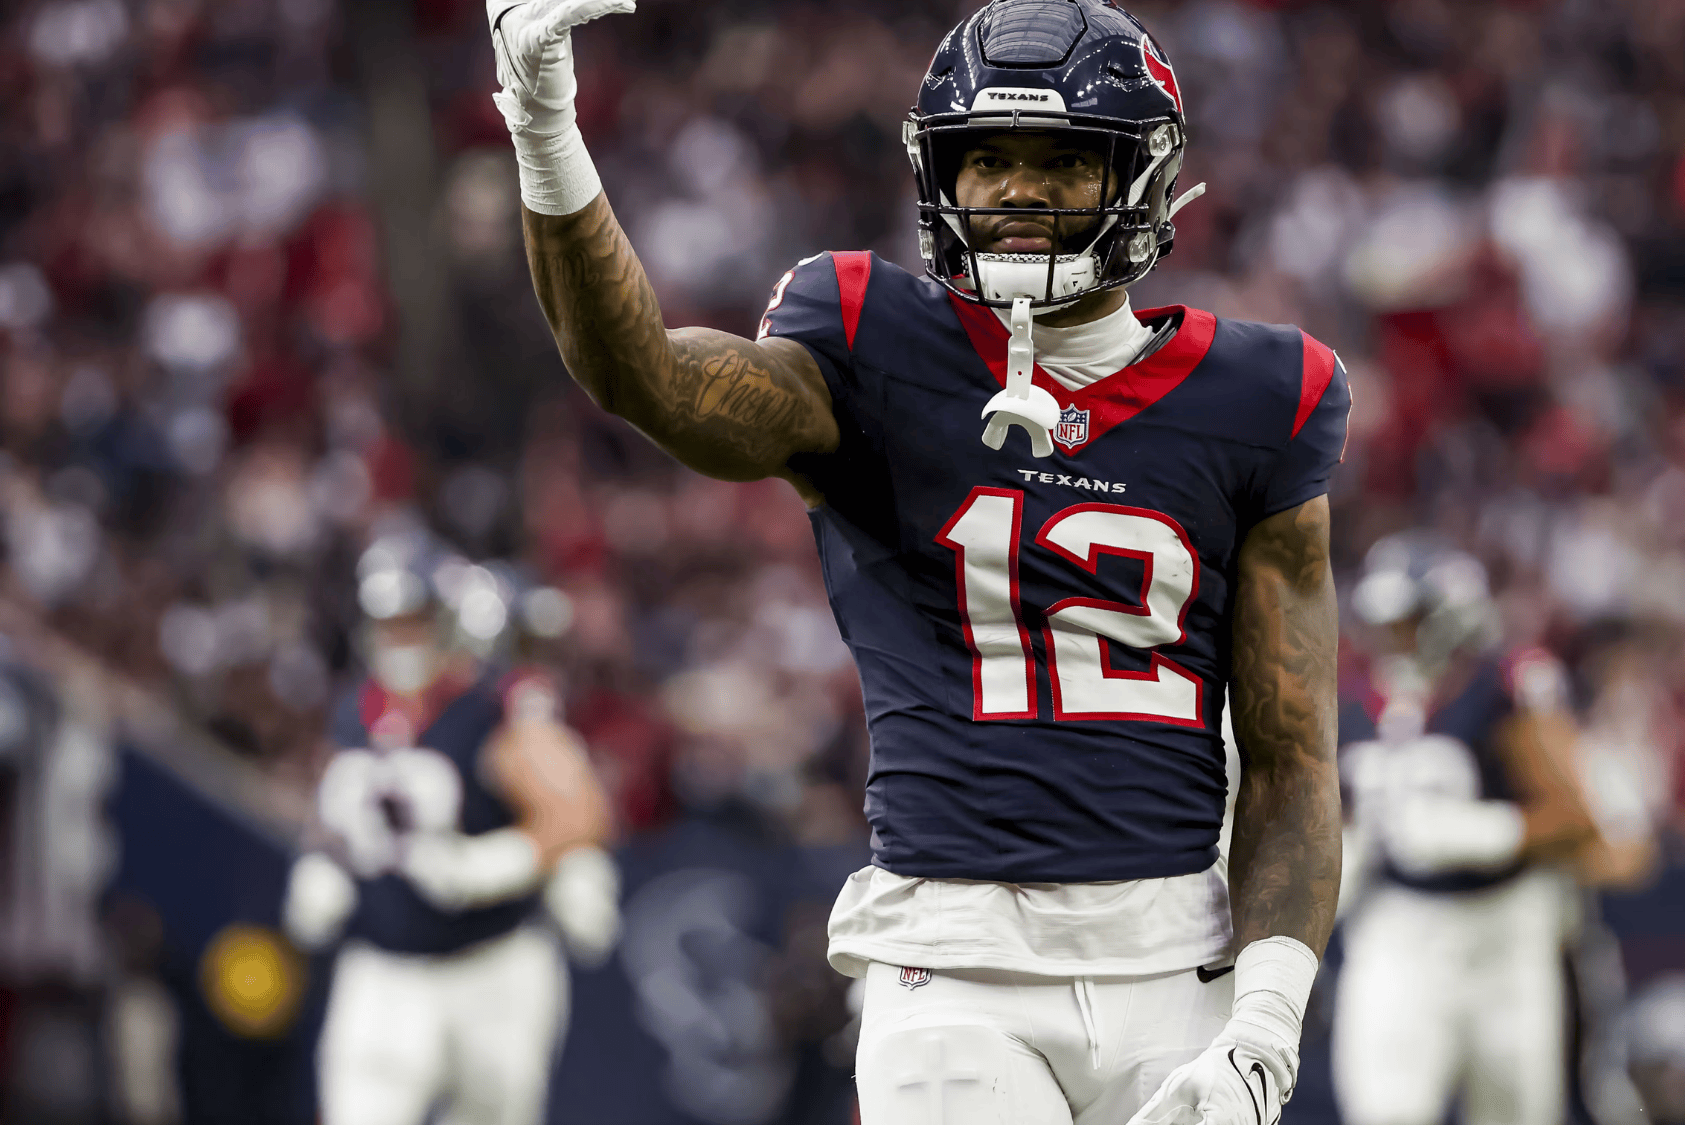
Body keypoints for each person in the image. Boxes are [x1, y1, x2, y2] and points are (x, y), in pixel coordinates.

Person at [486, 0, 1351, 1121]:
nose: (1017, 190)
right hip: (951, 961)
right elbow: (646, 378)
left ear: (1142, 175)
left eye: (1061, 161)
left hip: (1182, 962)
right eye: (986, 159)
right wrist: (545, 127)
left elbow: (1290, 758)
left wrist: (1265, 1025)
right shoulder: (870, 339)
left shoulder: (1262, 397)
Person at [281, 533, 619, 1125]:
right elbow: (338, 814)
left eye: (415, 619)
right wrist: (322, 860)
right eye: (390, 622)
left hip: (488, 966)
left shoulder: (491, 707)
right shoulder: (354, 711)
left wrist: (506, 860)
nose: (401, 637)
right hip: (382, 969)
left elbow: (582, 810)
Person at [1331, 533, 1598, 1125]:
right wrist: (1337, 861)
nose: (1392, 637)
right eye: (1384, 622)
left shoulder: (1502, 688)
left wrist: (1492, 832)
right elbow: (1336, 817)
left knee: (1515, 1112)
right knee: (1387, 1110)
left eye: (1407, 620)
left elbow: (1581, 819)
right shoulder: (1350, 699)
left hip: (1503, 930)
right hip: (1398, 930)